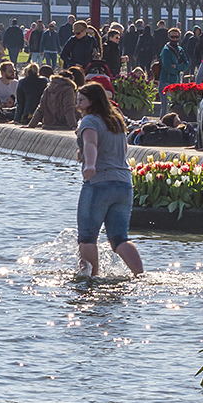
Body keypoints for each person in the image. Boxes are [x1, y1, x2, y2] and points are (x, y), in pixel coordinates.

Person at [74, 80, 144, 279]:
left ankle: (90, 279)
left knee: (87, 237)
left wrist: (90, 165)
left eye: (81, 100)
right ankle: (140, 276)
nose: (77, 104)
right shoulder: (116, 121)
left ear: (92, 101)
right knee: (120, 238)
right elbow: (122, 150)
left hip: (99, 183)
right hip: (124, 184)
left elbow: (91, 144)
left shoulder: (89, 121)